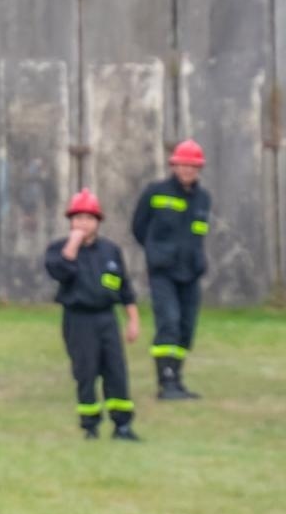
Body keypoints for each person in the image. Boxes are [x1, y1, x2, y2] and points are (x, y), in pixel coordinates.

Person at [46, 189, 141, 440]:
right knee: (86, 372)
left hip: (106, 318)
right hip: (79, 320)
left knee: (116, 371)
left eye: (89, 218)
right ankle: (90, 426)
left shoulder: (110, 251)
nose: (83, 223)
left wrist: (132, 319)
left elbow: (123, 287)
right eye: (77, 218)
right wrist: (74, 243)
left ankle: (122, 425)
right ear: (70, 221)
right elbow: (59, 272)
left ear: (98, 222)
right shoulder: (59, 249)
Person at [132, 139, 213, 400]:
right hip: (163, 271)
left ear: (199, 168)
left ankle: (177, 380)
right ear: (174, 166)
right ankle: (165, 383)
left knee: (186, 327)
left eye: (193, 166)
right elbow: (139, 227)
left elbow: (199, 234)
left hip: (191, 271)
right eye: (183, 165)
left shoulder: (203, 199)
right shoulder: (155, 192)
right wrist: (157, 251)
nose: (188, 170)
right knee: (169, 322)